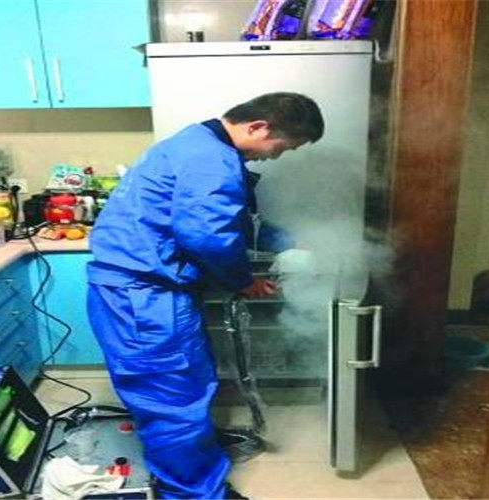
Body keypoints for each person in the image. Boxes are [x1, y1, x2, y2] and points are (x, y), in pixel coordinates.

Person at [86, 92, 324, 500]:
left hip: (139, 294)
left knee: (186, 387)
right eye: (282, 147)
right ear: (258, 127)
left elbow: (232, 220)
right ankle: (194, 493)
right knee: (172, 400)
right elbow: (208, 235)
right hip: (145, 301)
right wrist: (243, 281)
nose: (276, 156)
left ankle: (193, 463)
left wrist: (288, 242)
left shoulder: (194, 142)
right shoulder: (211, 159)